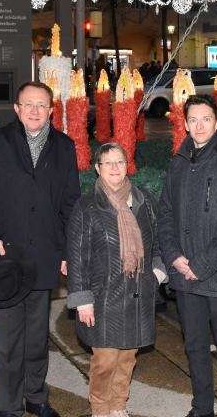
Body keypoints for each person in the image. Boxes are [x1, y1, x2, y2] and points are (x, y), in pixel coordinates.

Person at [0, 81, 80, 417]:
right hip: (6, 260)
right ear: (16, 109)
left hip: (45, 255)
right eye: (28, 104)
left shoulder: (64, 147)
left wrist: (67, 251)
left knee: (36, 337)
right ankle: (10, 407)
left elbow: (71, 203)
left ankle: (36, 396)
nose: (34, 111)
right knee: (9, 341)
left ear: (51, 110)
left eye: (41, 105)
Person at [157, 94, 217, 417]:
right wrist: (174, 256)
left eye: (206, 119)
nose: (199, 126)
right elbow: (166, 214)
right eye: (193, 120)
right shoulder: (177, 163)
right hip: (185, 277)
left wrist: (202, 264)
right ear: (184, 124)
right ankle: (202, 409)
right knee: (195, 347)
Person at [67, 142, 166, 417]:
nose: (114, 168)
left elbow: (160, 242)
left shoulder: (144, 201)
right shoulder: (87, 207)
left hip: (137, 292)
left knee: (127, 356)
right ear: (97, 168)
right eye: (108, 163)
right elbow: (77, 257)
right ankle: (100, 407)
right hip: (103, 296)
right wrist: (82, 300)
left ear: (127, 165)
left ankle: (119, 404)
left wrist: (156, 275)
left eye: (120, 162)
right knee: (106, 358)